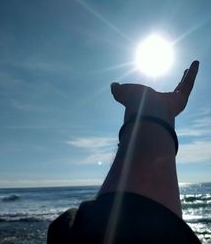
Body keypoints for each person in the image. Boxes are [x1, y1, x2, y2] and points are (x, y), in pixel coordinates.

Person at [47, 61, 201, 243]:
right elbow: (148, 232)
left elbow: (110, 229)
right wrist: (160, 113)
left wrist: (151, 112)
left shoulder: (84, 231)